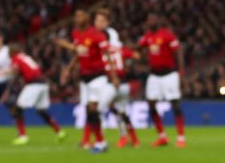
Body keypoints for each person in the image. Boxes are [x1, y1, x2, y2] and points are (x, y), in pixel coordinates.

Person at [60, 9, 117, 154]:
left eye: (81, 15)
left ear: (87, 18)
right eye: (76, 16)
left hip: (98, 76)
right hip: (84, 78)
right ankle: (99, 142)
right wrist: (68, 69)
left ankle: (100, 142)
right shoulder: (76, 34)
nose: (78, 18)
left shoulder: (97, 35)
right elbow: (78, 54)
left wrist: (114, 75)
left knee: (93, 109)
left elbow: (107, 55)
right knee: (89, 111)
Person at [138, 13, 186, 148]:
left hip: (169, 75)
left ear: (158, 21)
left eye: (152, 19)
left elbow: (178, 51)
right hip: (154, 75)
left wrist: (181, 72)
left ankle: (181, 137)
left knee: (175, 104)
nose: (150, 21)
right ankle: (162, 136)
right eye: (148, 20)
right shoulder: (147, 36)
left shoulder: (167, 34)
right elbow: (139, 47)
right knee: (151, 104)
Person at [95, 9, 139, 149]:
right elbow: (134, 55)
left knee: (99, 110)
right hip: (124, 83)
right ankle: (131, 138)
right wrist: (133, 55)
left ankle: (100, 141)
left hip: (112, 82)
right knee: (121, 112)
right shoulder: (119, 48)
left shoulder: (103, 49)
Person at [8, 43, 65, 145]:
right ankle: (59, 131)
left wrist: (2, 74)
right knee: (41, 111)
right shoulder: (26, 57)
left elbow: (15, 70)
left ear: (12, 52)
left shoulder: (16, 58)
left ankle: (22, 136)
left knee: (17, 109)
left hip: (34, 84)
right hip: (43, 84)